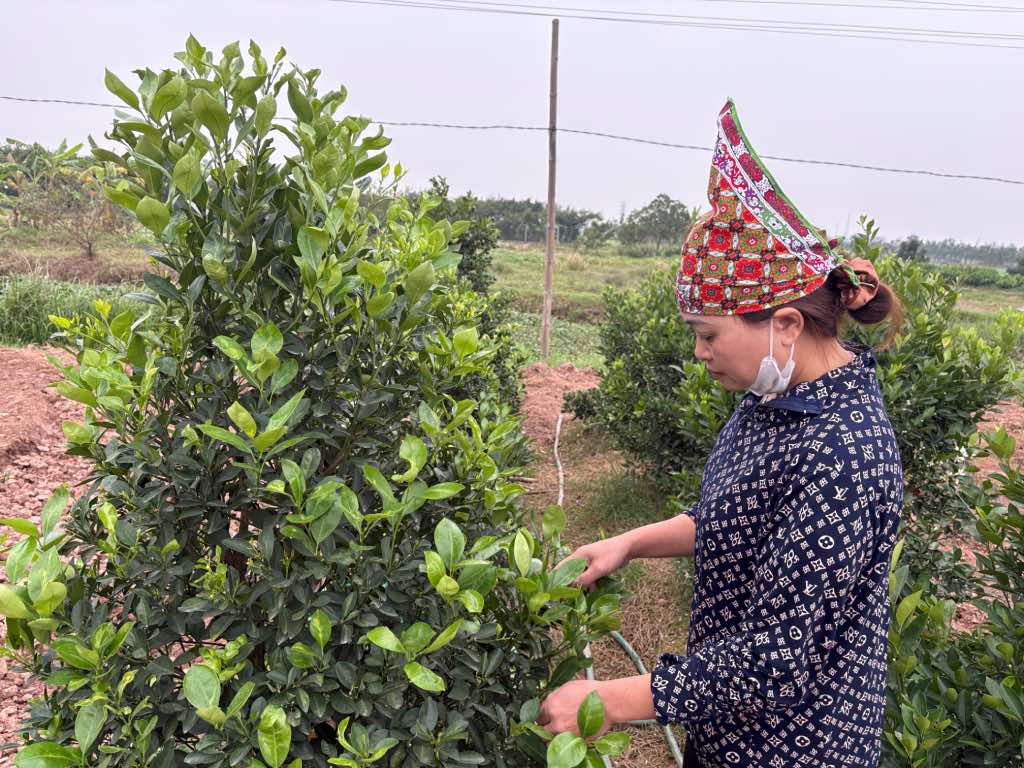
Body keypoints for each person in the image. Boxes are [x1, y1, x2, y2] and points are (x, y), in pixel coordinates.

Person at [537, 98, 906, 768]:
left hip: (798, 744)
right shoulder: (771, 394)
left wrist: (606, 701)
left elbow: (774, 657)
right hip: (728, 726)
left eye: (710, 335)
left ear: (786, 325)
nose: (701, 353)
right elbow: (736, 517)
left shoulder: (846, 451)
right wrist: (630, 543)